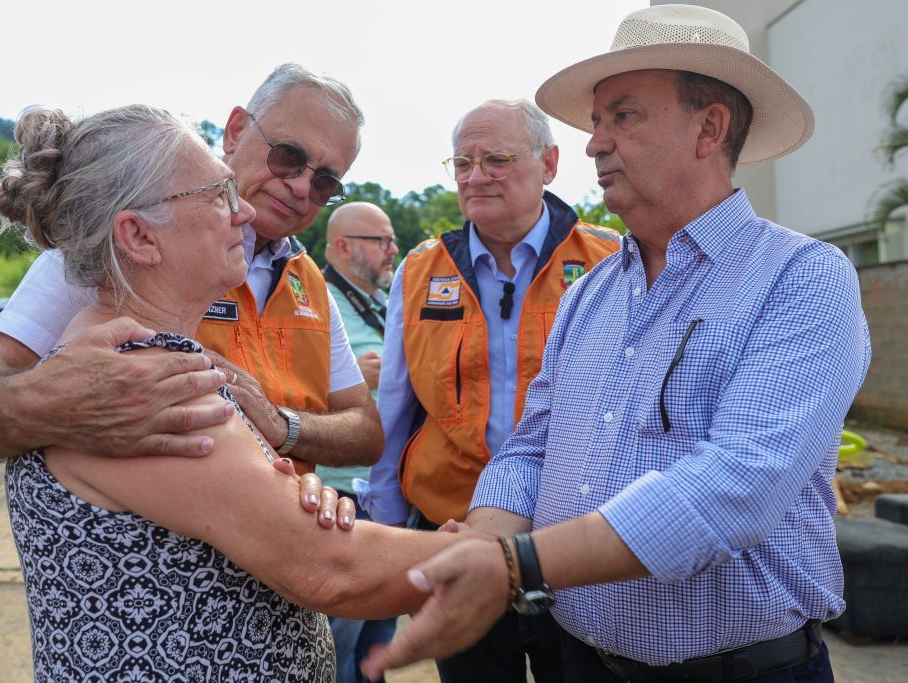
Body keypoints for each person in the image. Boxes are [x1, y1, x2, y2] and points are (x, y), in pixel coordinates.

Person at [362, 5, 871, 682]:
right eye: (596, 122)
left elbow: (735, 486)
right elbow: (532, 449)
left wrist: (513, 564)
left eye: (622, 116)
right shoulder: (589, 295)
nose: (595, 144)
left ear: (709, 127)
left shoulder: (802, 278)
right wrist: (481, 542)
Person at [0, 104, 468, 681]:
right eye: (217, 195)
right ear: (138, 236)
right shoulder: (143, 380)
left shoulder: (148, 352)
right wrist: (511, 556)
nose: (243, 210)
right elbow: (330, 571)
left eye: (326, 181)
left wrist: (285, 478)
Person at [0, 64, 382, 498]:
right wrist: (49, 401)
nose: (301, 187)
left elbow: (365, 432)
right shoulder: (123, 241)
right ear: (236, 130)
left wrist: (281, 425)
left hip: (280, 552)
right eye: (288, 157)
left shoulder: (308, 281)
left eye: (325, 182)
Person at [362, 99, 619, 682]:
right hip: (453, 531)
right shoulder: (421, 270)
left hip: (573, 539)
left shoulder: (610, 260)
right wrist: (388, 525)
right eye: (462, 163)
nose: (476, 177)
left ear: (549, 163)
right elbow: (396, 405)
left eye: (497, 159)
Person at [318, 202, 400, 682]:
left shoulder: (387, 302)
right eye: (382, 241)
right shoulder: (314, 299)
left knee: (377, 645)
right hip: (340, 495)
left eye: (392, 240)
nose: (393, 250)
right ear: (344, 246)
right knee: (339, 644)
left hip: (385, 494)